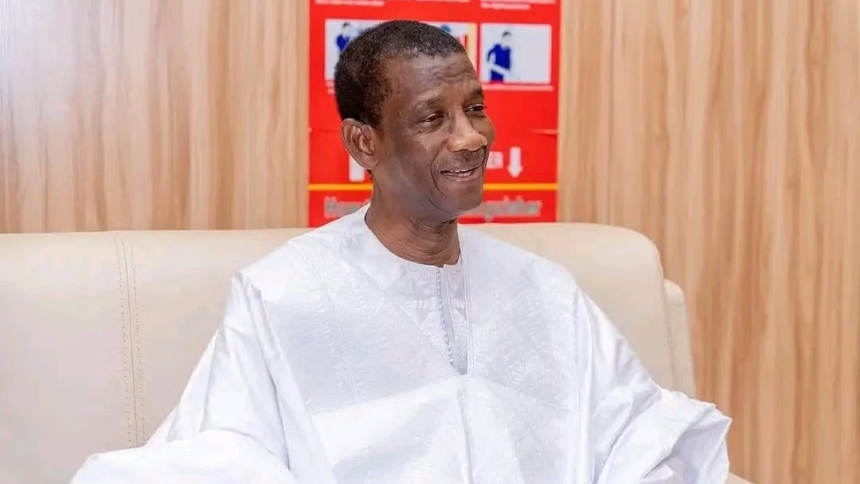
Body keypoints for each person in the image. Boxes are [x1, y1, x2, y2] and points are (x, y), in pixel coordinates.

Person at [70, 20, 731, 483]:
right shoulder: (284, 294)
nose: (471, 138)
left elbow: (638, 438)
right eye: (433, 117)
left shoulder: (545, 290)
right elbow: (224, 456)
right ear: (364, 143)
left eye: (475, 108)